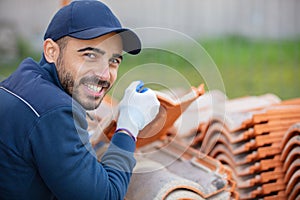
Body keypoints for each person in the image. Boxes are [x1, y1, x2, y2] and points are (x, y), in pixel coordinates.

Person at [0, 1, 160, 199]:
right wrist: (129, 126)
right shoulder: (54, 111)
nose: (104, 75)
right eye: (90, 55)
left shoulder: (23, 81)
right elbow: (105, 196)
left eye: (113, 61)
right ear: (52, 51)